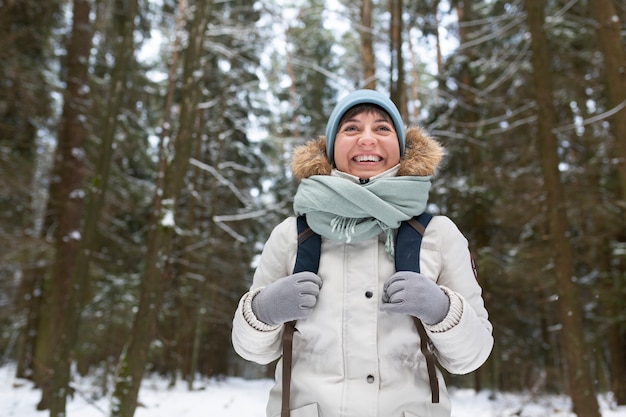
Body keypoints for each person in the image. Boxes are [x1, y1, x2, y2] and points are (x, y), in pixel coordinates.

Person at [232, 89, 493, 417]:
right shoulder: (291, 235)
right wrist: (262, 311)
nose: (367, 139)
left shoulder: (438, 234)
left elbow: (471, 357)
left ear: (401, 148)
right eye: (351, 128)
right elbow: (252, 351)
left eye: (382, 128)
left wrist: (443, 311)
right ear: (330, 147)